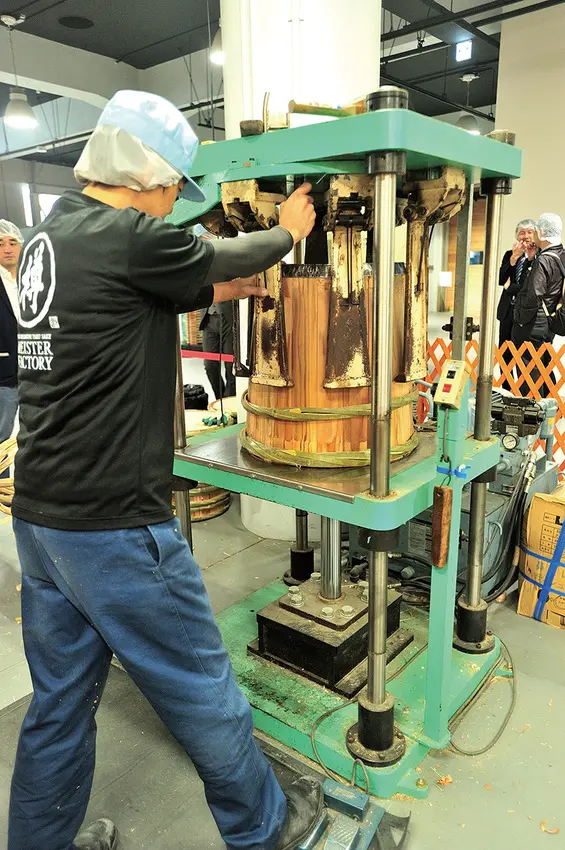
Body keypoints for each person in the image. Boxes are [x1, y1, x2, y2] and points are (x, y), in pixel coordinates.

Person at [9, 90, 319, 850]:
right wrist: (286, 231)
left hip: (42, 518)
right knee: (201, 690)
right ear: (144, 174)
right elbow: (218, 254)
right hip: (114, 525)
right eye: (174, 187)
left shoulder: (52, 232)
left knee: (59, 702)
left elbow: (125, 301)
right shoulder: (125, 233)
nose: (174, 202)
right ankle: (265, 831)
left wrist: (222, 290)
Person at [513, 213, 565, 398]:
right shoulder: (561, 254)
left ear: (542, 233)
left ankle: (532, 411)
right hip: (549, 321)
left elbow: (535, 294)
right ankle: (549, 407)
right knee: (544, 367)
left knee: (530, 373)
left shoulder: (544, 259)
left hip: (533, 325)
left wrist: (520, 318)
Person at [196, 225, 237, 400]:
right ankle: (220, 399)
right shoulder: (197, 262)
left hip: (228, 319)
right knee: (210, 365)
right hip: (208, 320)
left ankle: (230, 402)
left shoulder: (227, 256)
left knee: (230, 368)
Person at [497, 219, 537, 389]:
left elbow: (530, 288)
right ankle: (506, 391)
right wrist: (514, 258)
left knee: (524, 355)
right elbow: (501, 279)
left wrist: (510, 287)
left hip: (526, 314)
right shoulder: (510, 254)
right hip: (507, 311)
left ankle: (523, 391)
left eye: (529, 232)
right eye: (522, 232)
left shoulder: (539, 256)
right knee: (504, 353)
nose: (525, 236)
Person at [0, 220, 23, 462]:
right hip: (3, 376)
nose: (7, 249)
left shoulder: (31, 280)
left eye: (13, 242)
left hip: (34, 374)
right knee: (2, 437)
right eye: (0, 244)